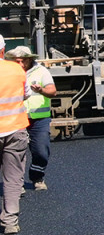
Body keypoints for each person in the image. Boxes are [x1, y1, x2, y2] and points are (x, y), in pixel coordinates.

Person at [8, 47, 54, 191]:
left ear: (30, 59)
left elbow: (52, 91)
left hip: (39, 119)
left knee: (41, 151)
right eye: (17, 61)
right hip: (16, 118)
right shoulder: (9, 72)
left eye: (23, 60)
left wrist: (41, 90)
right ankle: (17, 183)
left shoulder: (41, 71)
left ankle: (37, 177)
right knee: (15, 154)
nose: (20, 64)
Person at [0, 52, 29, 234]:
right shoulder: (16, 69)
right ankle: (10, 221)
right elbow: (25, 94)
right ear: (3, 51)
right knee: (12, 177)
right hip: (14, 129)